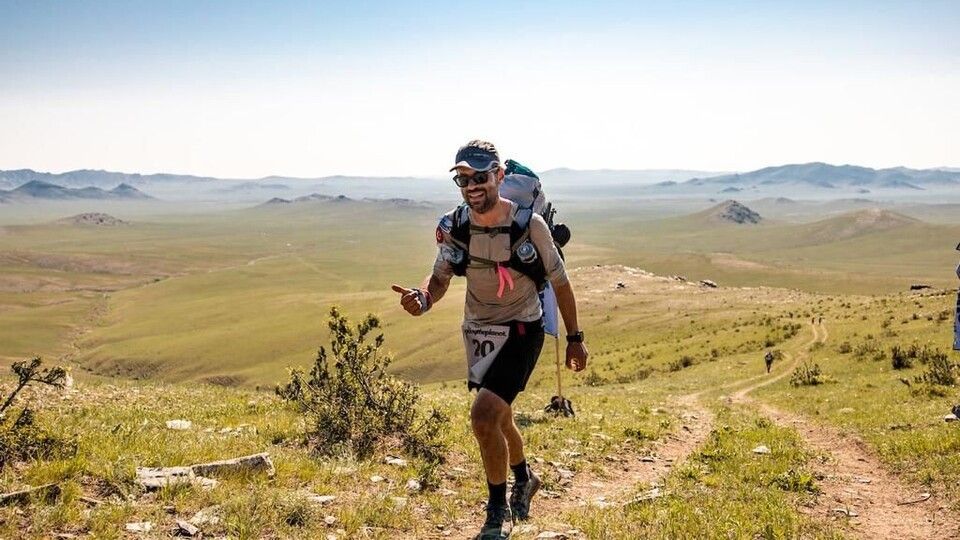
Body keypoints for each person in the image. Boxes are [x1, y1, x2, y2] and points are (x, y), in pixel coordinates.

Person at [392, 140, 588, 539]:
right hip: (480, 331)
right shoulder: (455, 225)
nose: (472, 185)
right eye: (463, 178)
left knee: (483, 416)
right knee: (500, 416)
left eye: (480, 176)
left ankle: (496, 513)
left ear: (499, 176)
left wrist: (574, 337)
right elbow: (441, 275)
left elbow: (561, 283)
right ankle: (525, 478)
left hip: (523, 328)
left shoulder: (529, 225)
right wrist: (425, 297)